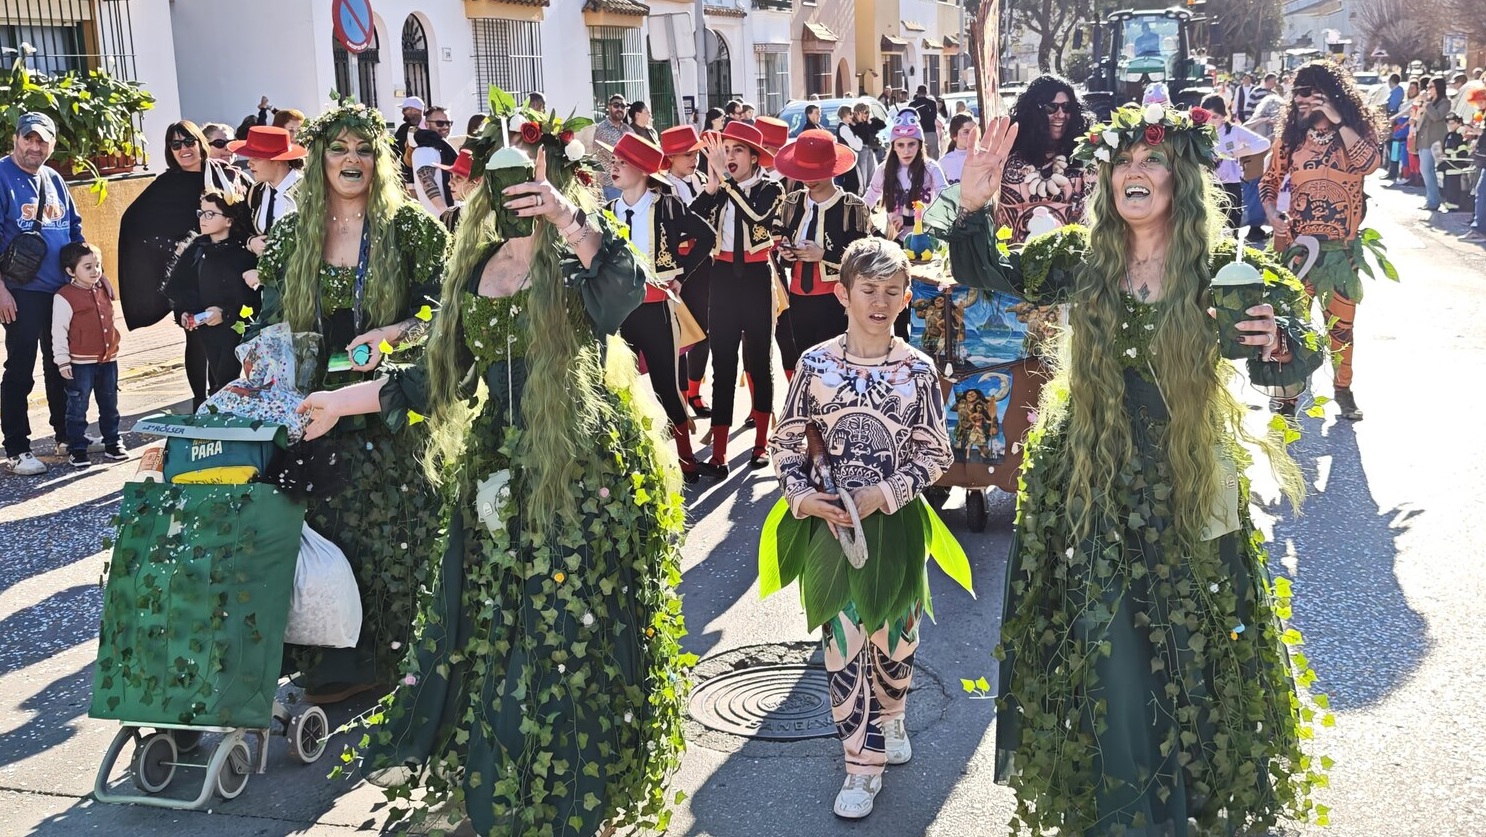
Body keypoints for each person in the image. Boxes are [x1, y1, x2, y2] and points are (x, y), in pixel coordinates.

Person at [294, 108, 690, 837]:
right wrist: (335, 403)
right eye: (503, 179)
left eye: (532, 177)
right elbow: (430, 379)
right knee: (500, 632)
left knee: (572, 629)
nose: (518, 193)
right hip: (498, 467)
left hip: (578, 471)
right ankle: (509, 786)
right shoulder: (476, 270)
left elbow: (625, 292)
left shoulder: (576, 259)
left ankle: (581, 793)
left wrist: (570, 218)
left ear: (557, 176)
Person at [935, 105, 1327, 837]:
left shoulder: (1220, 267)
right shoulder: (1082, 258)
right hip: (1091, 485)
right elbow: (984, 268)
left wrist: (1278, 339)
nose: (1133, 174)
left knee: (1190, 650)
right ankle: (1124, 815)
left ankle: (1188, 807)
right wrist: (975, 205)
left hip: (1185, 485)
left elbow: (1298, 344)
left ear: (1179, 176)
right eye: (1121, 163)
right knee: (1110, 648)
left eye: (1149, 162)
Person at [249, 98, 449, 702]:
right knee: (323, 527)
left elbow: (446, 315)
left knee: (388, 532)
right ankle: (328, 658)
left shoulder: (408, 227)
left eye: (363, 149)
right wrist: (261, 370)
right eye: (338, 149)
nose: (351, 159)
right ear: (317, 158)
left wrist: (391, 333)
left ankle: (391, 659)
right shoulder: (292, 231)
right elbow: (269, 318)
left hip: (382, 406)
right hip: (312, 409)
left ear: (380, 159)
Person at [764, 237, 956, 819]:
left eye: (892, 292)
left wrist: (886, 493)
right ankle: (859, 767)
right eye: (868, 290)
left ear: (904, 300)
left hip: (895, 526)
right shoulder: (815, 365)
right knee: (843, 646)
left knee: (896, 643)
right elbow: (787, 443)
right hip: (832, 525)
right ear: (842, 293)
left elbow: (936, 453)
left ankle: (893, 716)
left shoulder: (917, 370)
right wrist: (802, 499)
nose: (879, 301)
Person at [1261, 60, 1386, 421]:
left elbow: (1370, 164)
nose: (1300, 102)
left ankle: (1343, 390)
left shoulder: (1355, 132)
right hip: (1300, 250)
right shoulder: (1291, 139)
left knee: (1342, 330)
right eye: (1296, 95)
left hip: (1340, 253)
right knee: (1289, 325)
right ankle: (1287, 392)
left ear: (1330, 95)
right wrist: (1272, 214)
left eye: (1308, 94)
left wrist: (1337, 119)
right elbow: (1269, 182)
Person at [605, 132, 715, 482]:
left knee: (666, 386)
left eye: (622, 162)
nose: (614, 166)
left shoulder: (666, 205)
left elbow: (707, 237)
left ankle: (686, 458)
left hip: (656, 308)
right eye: (614, 161)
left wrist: (679, 275)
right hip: (619, 312)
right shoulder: (609, 211)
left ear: (641, 169)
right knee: (619, 385)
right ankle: (629, 458)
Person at [689, 121, 785, 475]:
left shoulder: (770, 188)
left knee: (760, 361)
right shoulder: (720, 187)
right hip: (723, 277)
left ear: (754, 157)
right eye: (725, 149)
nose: (727, 156)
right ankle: (719, 451)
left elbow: (758, 216)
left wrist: (726, 186)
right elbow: (693, 224)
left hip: (757, 277)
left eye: (736, 150)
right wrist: (712, 188)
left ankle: (762, 443)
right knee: (723, 363)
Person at [1, 113, 85, 475]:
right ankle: (17, 448)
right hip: (19, 292)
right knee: (20, 369)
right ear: (16, 139)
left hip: (59, 291)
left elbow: (75, 230)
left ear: (51, 144)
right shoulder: (2, 175)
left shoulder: (53, 178)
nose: (35, 147)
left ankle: (65, 436)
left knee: (61, 366)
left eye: (42, 141)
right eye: (28, 139)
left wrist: (92, 277)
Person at [117, 119, 244, 340]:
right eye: (176, 145)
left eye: (188, 141)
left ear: (200, 143)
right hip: (194, 269)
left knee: (232, 333)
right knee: (196, 339)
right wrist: (175, 248)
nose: (184, 149)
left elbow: (244, 211)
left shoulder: (224, 173)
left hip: (228, 265)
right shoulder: (166, 184)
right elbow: (133, 224)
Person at [771, 129, 870, 379]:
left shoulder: (852, 206)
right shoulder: (792, 202)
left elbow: (862, 257)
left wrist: (823, 254)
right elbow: (778, 243)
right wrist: (786, 251)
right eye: (804, 173)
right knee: (803, 358)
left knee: (834, 362)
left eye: (815, 174)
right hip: (797, 296)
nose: (809, 180)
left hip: (834, 298)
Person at [161, 189, 259, 405]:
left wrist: (226, 313)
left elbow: (253, 298)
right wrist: (184, 312)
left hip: (235, 329)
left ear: (229, 220)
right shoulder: (196, 248)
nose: (203, 219)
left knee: (229, 380)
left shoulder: (242, 252)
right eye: (201, 213)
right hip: (205, 328)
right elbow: (180, 287)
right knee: (215, 379)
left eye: (210, 214)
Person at [52, 241, 127, 468]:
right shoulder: (65, 296)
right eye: (88, 267)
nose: (95, 271)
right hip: (80, 362)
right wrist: (62, 360)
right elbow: (59, 330)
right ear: (70, 271)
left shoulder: (103, 289)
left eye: (98, 265)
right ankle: (77, 448)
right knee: (77, 406)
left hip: (108, 359)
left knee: (109, 403)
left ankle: (113, 442)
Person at [864, 111, 949, 244]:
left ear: (920, 145)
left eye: (911, 144)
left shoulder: (931, 168)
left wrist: (909, 220)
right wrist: (873, 230)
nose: (906, 151)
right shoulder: (884, 169)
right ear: (893, 147)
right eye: (900, 145)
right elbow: (867, 201)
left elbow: (945, 200)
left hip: (925, 240)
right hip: (894, 240)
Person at [233, 126, 308, 253]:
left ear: (278, 160)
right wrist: (251, 241)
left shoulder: (307, 189)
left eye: (256, 158)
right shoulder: (255, 190)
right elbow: (242, 226)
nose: (249, 163)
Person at [1205, 94, 1270, 231]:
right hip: (1207, 186)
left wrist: (1236, 153)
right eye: (1207, 116)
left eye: (1215, 117)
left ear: (1223, 116)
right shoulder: (1198, 133)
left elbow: (1264, 143)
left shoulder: (1233, 131)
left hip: (1231, 185)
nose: (1210, 121)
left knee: (1230, 228)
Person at [411, 106, 459, 217]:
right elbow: (427, 181)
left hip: (453, 216)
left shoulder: (445, 149)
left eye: (449, 123)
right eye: (440, 123)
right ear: (427, 124)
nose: (446, 127)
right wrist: (446, 213)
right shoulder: (424, 150)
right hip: (438, 218)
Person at [1415, 76, 1451, 212]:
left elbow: (1436, 116)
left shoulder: (1445, 102)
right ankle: (1432, 199)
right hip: (1424, 140)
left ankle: (1434, 201)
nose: (1428, 90)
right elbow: (1422, 120)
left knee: (1428, 170)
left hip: (1435, 140)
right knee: (1425, 170)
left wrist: (1426, 104)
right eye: (1428, 87)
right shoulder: (1428, 102)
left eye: (1431, 87)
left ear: (1438, 88)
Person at [592, 93, 632, 202]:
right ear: (609, 107)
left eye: (623, 106)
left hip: (628, 184)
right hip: (612, 185)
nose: (619, 108)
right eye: (616, 105)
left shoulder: (628, 130)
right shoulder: (603, 130)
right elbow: (617, 156)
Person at [435, 147, 481, 232]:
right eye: (451, 176)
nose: (450, 183)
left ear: (476, 182)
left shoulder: (493, 215)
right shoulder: (449, 217)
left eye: (458, 178)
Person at [393, 96, 425, 184]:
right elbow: (394, 150)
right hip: (410, 180)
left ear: (414, 110)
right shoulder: (404, 129)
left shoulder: (430, 126)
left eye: (405, 109)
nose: (402, 112)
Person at [938, 113, 978, 185]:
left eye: (973, 131)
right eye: (966, 132)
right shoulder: (944, 162)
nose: (971, 136)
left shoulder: (981, 158)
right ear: (954, 136)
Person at [834, 105, 865, 194]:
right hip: (847, 162)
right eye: (850, 114)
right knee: (852, 187)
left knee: (853, 185)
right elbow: (857, 146)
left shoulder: (846, 127)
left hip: (848, 162)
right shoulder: (844, 129)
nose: (852, 116)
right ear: (844, 115)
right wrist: (858, 135)